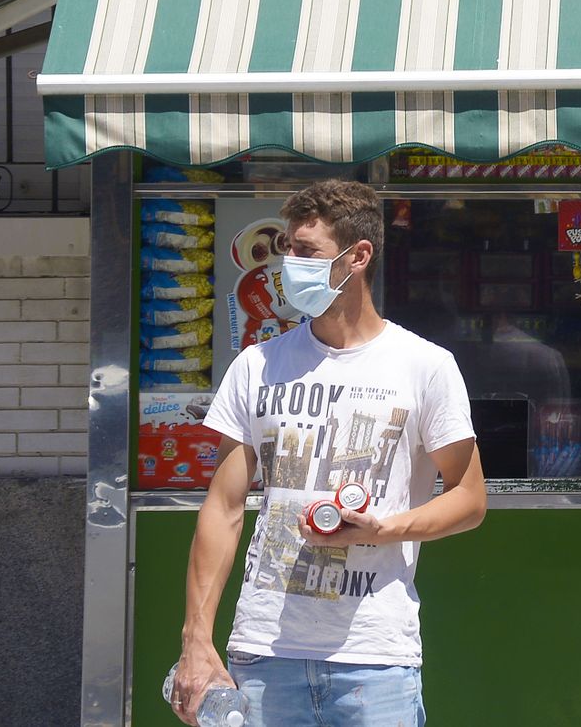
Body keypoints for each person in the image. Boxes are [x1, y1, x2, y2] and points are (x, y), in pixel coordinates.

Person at [171, 179, 486, 726]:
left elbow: (470, 497)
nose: (289, 262)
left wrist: (381, 530)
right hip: (265, 652)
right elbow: (222, 509)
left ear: (358, 256)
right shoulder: (258, 365)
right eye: (287, 248)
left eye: (306, 250)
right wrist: (196, 640)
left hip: (375, 660)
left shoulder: (424, 365)